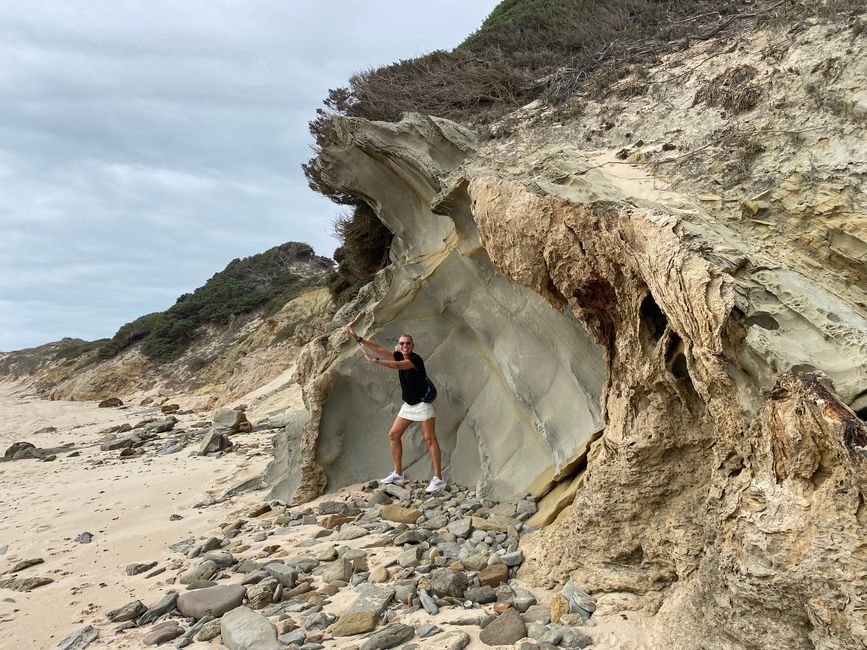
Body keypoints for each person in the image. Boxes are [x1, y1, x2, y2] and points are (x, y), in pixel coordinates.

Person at [346, 324, 444, 493]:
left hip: (422, 404)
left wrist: (375, 361)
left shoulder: (415, 360)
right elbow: (378, 348)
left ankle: (438, 479)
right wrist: (359, 338)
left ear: (412, 346)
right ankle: (398, 474)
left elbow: (397, 366)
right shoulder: (398, 355)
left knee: (429, 439)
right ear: (398, 345)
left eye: (407, 343)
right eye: (402, 343)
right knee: (393, 434)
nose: (404, 346)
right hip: (409, 405)